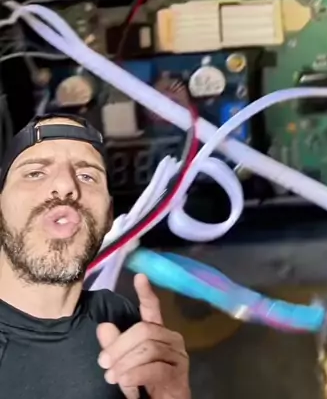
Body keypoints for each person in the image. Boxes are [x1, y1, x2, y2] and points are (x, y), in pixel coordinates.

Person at [0, 110, 191, 399]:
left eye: (87, 176)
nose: (65, 185)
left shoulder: (117, 315)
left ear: (108, 216)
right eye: (35, 173)